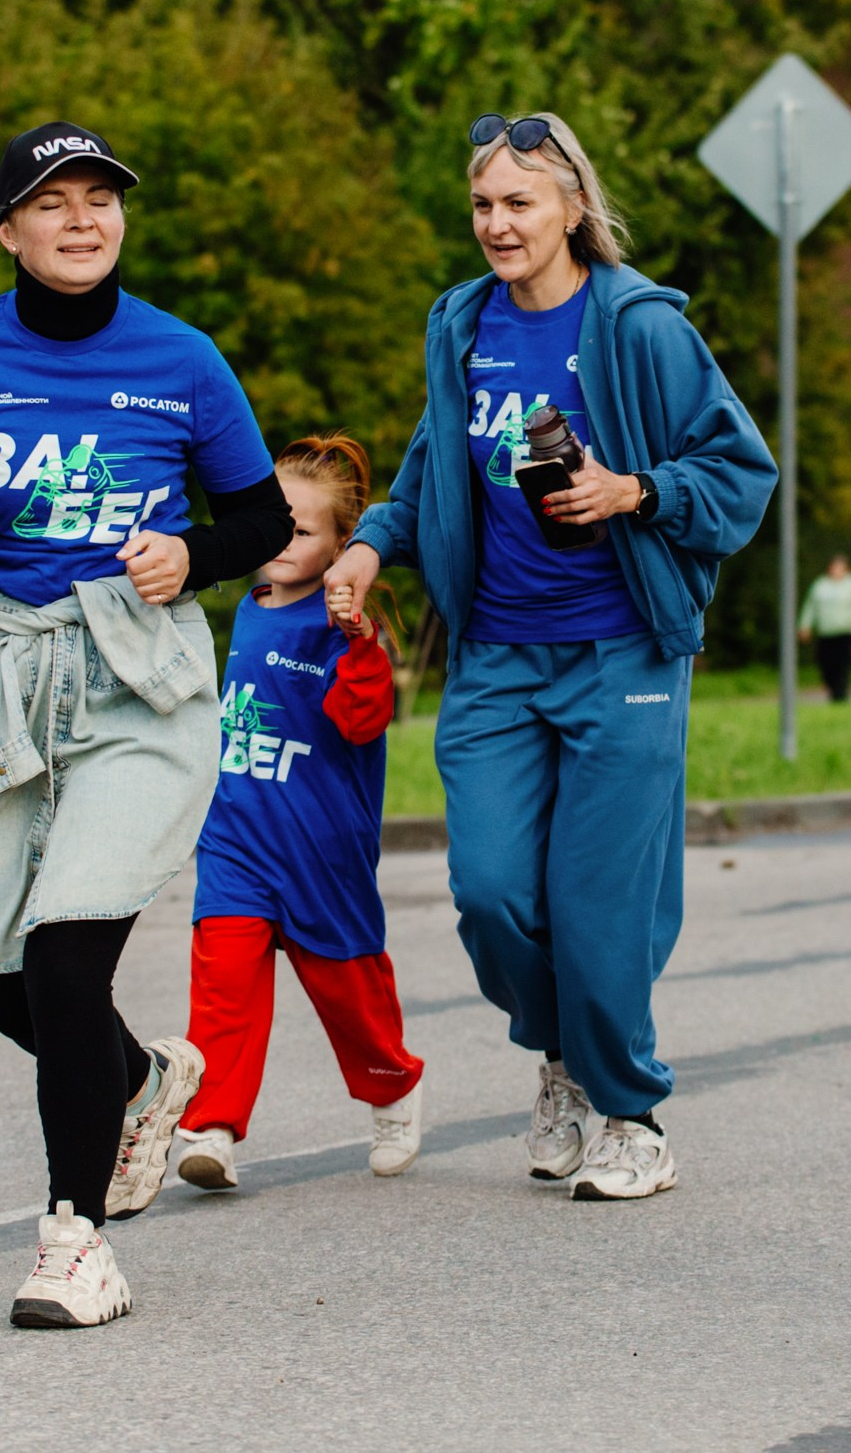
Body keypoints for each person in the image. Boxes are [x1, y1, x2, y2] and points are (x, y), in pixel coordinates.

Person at [0, 123, 292, 1327]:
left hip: (130, 675)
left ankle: (74, 1241)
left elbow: (259, 521)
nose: (81, 220)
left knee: (65, 953)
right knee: (12, 980)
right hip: (0, 665)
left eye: (101, 199)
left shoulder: (182, 358)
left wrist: (189, 555)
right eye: (53, 203)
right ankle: (147, 1081)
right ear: (10, 230)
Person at [322, 111, 775, 1200]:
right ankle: (565, 1053)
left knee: (598, 901)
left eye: (520, 201)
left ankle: (633, 1113)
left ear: (574, 205)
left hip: (622, 650)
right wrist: (371, 545)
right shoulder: (464, 325)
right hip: (495, 656)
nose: (497, 223)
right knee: (489, 891)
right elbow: (435, 461)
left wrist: (636, 489)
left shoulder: (639, 326)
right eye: (483, 204)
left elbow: (740, 473)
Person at [172, 435, 426, 1192]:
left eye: (303, 531)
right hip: (238, 842)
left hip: (321, 851)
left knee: (350, 997)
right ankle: (212, 1125)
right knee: (223, 983)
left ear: (342, 546)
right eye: (273, 524)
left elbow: (363, 720)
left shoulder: (345, 626)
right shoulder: (248, 608)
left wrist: (356, 647)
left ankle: (393, 1086)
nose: (283, 543)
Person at [799, 553, 851, 702]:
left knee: (843, 663)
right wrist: (805, 625)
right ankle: (832, 689)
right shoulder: (820, 585)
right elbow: (811, 606)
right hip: (826, 632)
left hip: (845, 631)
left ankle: (841, 692)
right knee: (826, 663)